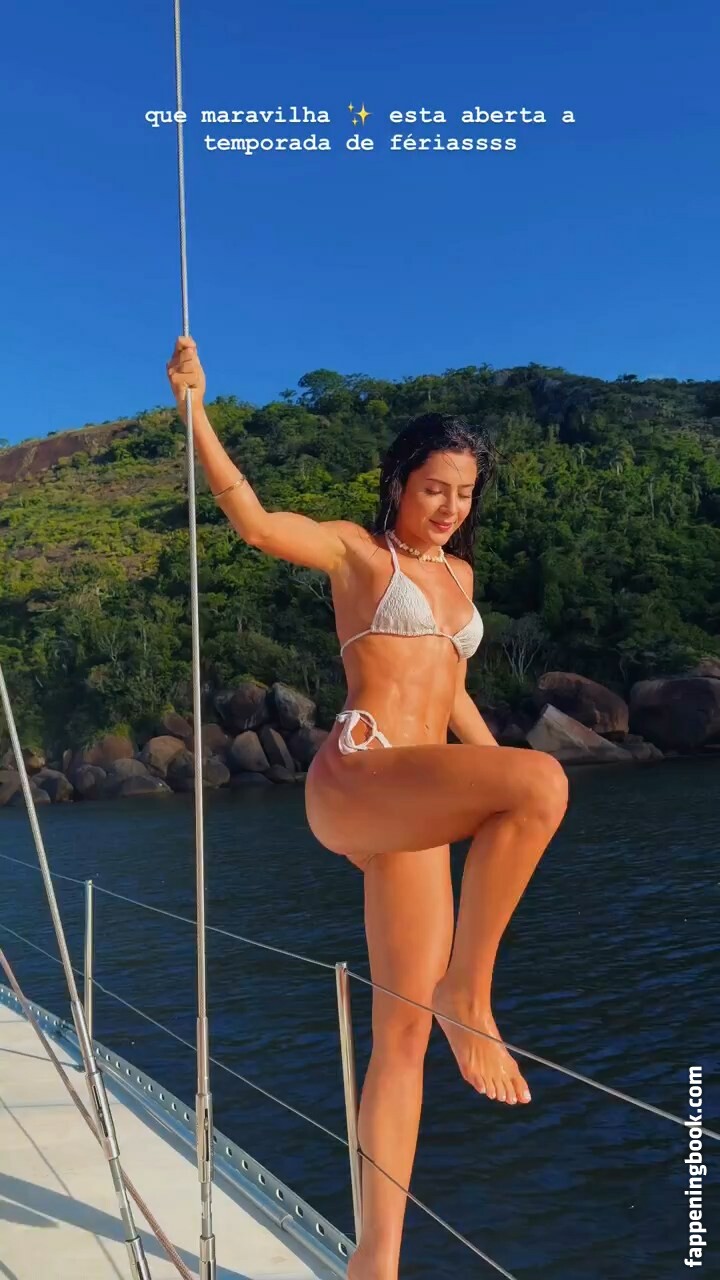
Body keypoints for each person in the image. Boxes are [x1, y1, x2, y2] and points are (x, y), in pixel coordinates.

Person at [167, 336, 569, 1280]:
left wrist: (496, 781)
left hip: (415, 799)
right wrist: (194, 411)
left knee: (402, 1036)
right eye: (434, 488)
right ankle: (472, 994)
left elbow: (453, 695)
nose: (450, 507)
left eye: (464, 493)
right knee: (542, 783)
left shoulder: (461, 580)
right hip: (357, 775)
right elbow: (255, 523)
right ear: (398, 482)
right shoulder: (358, 552)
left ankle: (375, 1259)